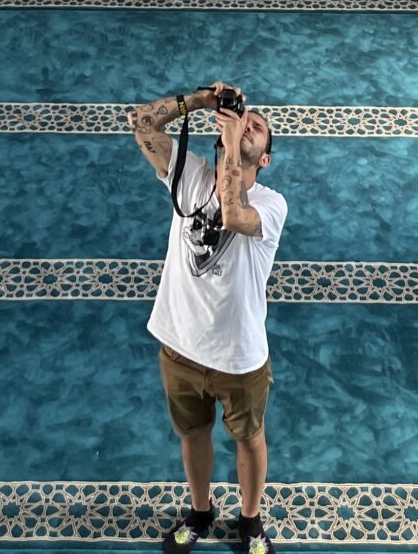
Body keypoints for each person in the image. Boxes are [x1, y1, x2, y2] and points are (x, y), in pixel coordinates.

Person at [128, 82, 286, 554]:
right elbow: (141, 123)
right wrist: (196, 102)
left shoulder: (272, 205)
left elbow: (233, 214)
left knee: (249, 439)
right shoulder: (190, 175)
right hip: (180, 345)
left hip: (239, 357)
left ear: (265, 159)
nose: (247, 124)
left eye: (257, 128)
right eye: (244, 119)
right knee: (193, 435)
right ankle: (200, 511)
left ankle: (251, 521)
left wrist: (232, 142)